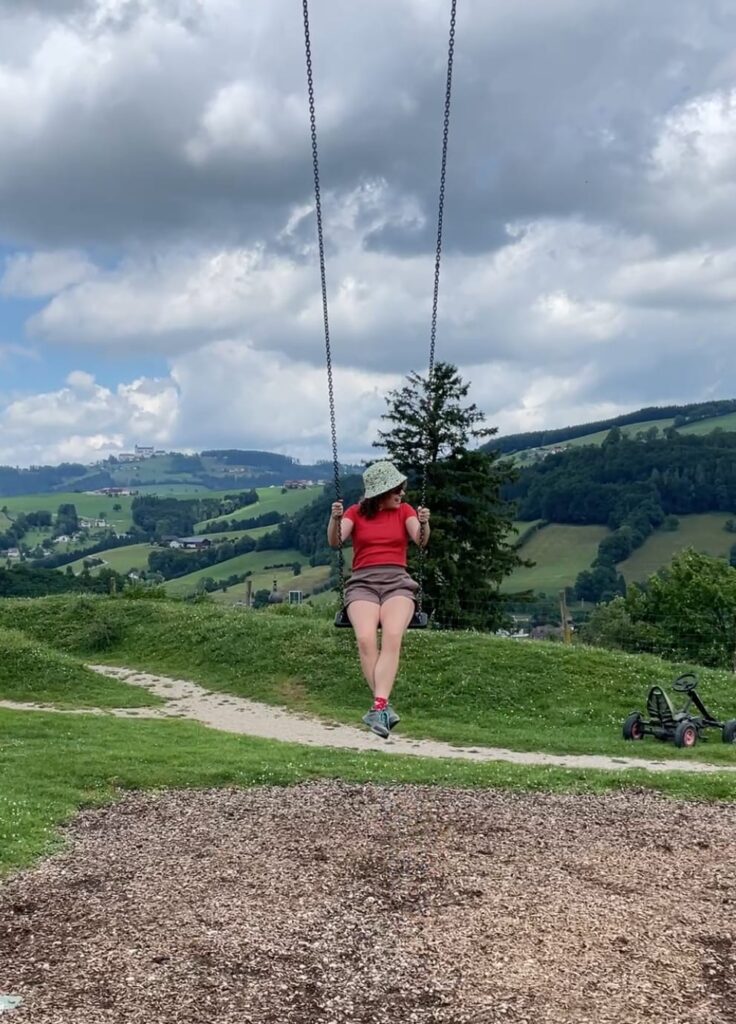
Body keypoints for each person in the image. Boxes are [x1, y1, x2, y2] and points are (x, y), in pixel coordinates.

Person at [327, 460, 431, 738]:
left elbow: (421, 540)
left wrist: (424, 523)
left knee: (393, 635)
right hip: (363, 584)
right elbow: (336, 541)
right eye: (397, 489)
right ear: (381, 491)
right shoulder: (355, 513)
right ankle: (382, 707)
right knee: (365, 638)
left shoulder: (405, 511)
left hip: (398, 583)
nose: (402, 493)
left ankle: (379, 707)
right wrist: (335, 519)